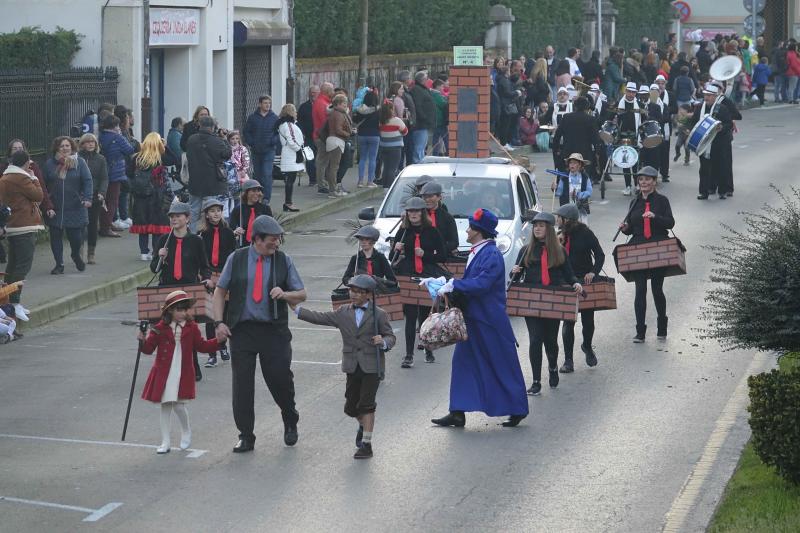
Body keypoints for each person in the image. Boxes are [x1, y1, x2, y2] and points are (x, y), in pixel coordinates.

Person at [213, 215, 307, 452]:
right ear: (256, 239)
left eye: (278, 240)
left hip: (273, 330)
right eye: (271, 240)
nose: (275, 244)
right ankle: (246, 435)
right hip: (242, 330)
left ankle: (289, 418)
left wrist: (285, 294)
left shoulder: (283, 261)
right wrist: (218, 322)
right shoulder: (237, 258)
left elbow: (302, 294)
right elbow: (219, 290)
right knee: (242, 385)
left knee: (279, 379)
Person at [429, 208, 529, 428]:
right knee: (463, 363)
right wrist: (443, 284)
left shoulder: (491, 254)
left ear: (479, 230)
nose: (467, 229)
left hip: (489, 320)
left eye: (470, 226)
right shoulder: (478, 250)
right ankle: (457, 411)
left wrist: (454, 284)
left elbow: (482, 284)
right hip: (474, 318)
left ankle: (518, 407)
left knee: (501, 364)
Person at [293, 274, 396, 459]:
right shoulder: (343, 312)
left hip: (372, 366)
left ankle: (366, 444)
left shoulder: (379, 314)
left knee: (367, 405)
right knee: (350, 408)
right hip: (351, 365)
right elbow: (320, 317)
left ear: (367, 294)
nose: (354, 294)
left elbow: (390, 337)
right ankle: (363, 425)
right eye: (352, 290)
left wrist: (384, 341)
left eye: (358, 291)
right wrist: (296, 309)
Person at [138, 290, 222, 453]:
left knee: (178, 406)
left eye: (185, 310)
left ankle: (186, 431)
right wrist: (142, 338)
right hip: (164, 372)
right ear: (170, 310)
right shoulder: (159, 328)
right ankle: (165, 442)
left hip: (182, 372)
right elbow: (148, 349)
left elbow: (202, 346)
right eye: (179, 310)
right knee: (165, 406)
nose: (183, 313)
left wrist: (218, 341)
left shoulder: (192, 327)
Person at [511, 212, 582, 395]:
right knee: (535, 339)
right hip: (532, 300)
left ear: (549, 229)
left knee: (550, 340)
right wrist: (514, 272)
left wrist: (575, 283)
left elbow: (569, 274)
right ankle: (536, 381)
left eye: (541, 226)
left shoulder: (559, 250)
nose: (537, 229)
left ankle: (552, 366)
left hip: (553, 299)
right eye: (535, 226)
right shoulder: (525, 250)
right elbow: (516, 278)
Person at [618, 166, 674, 342]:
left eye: (648, 179)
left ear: (654, 182)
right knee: (640, 290)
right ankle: (640, 331)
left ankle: (662, 327)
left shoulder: (662, 201)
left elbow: (670, 223)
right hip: (638, 248)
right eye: (641, 179)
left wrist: (655, 216)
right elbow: (632, 229)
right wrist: (625, 229)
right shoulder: (634, 202)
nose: (644, 182)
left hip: (657, 247)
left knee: (657, 289)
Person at [392, 197, 446, 367]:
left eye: (416, 211)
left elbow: (443, 256)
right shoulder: (403, 231)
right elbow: (391, 259)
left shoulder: (432, 231)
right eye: (410, 211)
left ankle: (428, 349)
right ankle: (408, 355)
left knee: (424, 315)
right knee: (410, 316)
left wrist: (425, 254)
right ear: (407, 214)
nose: (413, 214)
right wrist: (396, 250)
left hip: (427, 276)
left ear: (422, 213)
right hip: (409, 275)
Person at [555, 204, 604, 372]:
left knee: (588, 321)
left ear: (566, 219)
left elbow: (600, 254)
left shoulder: (586, 233)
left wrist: (593, 272)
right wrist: (557, 243)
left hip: (584, 280)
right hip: (566, 282)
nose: (557, 220)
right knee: (568, 321)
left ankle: (587, 346)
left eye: (559, 217)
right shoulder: (558, 236)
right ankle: (568, 360)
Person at [0, 150, 45, 321]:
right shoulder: (22, 177)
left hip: (11, 225)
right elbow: (38, 195)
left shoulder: (5, 177)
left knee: (12, 265)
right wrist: (34, 178)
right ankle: (15, 302)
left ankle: (7, 301)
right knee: (23, 266)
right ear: (26, 163)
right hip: (24, 226)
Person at [44, 136, 93, 275]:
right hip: (56, 207)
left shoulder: (80, 163)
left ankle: (75, 255)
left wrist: (87, 198)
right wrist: (47, 205)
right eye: (61, 146)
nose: (65, 148)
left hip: (75, 206)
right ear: (57, 148)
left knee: (76, 238)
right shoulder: (49, 164)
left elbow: (88, 181)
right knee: (55, 237)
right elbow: (43, 185)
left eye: (67, 146)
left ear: (72, 148)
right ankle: (59, 264)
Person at [198, 198, 236, 368]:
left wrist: (225, 276)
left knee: (223, 315)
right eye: (212, 211)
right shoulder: (202, 235)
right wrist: (204, 276)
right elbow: (201, 258)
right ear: (206, 214)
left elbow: (232, 256)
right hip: (208, 275)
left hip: (224, 275)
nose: (216, 214)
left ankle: (222, 346)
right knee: (210, 316)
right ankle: (212, 353)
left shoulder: (228, 233)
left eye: (218, 210)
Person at [130, 132, 177, 261]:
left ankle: (144, 253)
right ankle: (156, 252)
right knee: (157, 227)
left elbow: (129, 174)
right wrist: (166, 146)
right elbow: (174, 159)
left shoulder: (136, 158)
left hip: (140, 197)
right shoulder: (160, 158)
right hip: (157, 197)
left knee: (143, 227)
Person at [691, 84, 739, 200]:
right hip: (704, 143)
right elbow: (693, 122)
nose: (706, 98)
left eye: (709, 95)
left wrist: (721, 127)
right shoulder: (699, 108)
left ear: (714, 96)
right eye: (705, 95)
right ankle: (704, 192)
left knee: (720, 167)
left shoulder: (721, 108)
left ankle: (722, 191)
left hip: (718, 143)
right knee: (704, 169)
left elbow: (728, 124)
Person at [185, 116, 232, 231]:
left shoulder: (191, 139)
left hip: (194, 182)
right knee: (212, 212)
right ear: (213, 127)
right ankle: (209, 237)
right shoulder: (217, 141)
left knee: (194, 211)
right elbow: (227, 154)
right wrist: (224, 138)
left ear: (199, 125)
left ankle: (192, 237)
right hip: (212, 183)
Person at [98, 114, 135, 237]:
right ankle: (106, 227)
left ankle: (107, 223)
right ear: (115, 126)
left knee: (105, 200)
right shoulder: (118, 137)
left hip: (103, 171)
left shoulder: (101, 136)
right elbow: (129, 150)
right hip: (115, 172)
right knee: (113, 201)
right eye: (118, 125)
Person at [77, 134, 108, 265]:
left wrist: (102, 192)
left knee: (92, 225)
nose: (90, 144)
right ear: (82, 144)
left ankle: (91, 253)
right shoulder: (77, 158)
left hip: (95, 196)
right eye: (87, 142)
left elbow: (104, 178)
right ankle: (78, 253)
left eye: (93, 142)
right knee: (79, 226)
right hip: (80, 196)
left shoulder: (100, 159)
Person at [243, 96, 279, 202]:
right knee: (257, 175)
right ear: (260, 104)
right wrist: (251, 142)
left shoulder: (274, 118)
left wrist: (273, 141)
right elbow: (246, 132)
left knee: (267, 174)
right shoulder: (252, 117)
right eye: (265, 103)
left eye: (269, 103)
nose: (267, 105)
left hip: (269, 150)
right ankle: (256, 196)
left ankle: (266, 198)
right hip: (256, 150)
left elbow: (278, 133)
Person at [551, 96, 600, 173]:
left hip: (568, 153)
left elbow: (557, 136)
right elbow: (596, 139)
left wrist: (556, 149)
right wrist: (597, 152)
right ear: (587, 107)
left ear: (575, 106)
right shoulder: (591, 119)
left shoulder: (566, 117)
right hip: (585, 155)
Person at [322, 94, 353, 198]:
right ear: (338, 103)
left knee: (332, 166)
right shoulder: (339, 114)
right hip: (336, 141)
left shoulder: (334, 113)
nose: (346, 105)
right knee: (334, 167)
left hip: (333, 140)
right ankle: (333, 190)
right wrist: (348, 134)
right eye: (344, 103)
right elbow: (338, 129)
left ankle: (332, 189)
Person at [615, 82, 644, 195]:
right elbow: (611, 117)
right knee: (625, 162)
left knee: (635, 161)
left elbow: (644, 120)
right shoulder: (619, 104)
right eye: (629, 91)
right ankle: (627, 186)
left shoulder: (640, 105)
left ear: (635, 93)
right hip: (622, 136)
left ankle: (637, 185)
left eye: (633, 92)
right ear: (625, 91)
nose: (631, 94)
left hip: (635, 136)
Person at [276, 103, 305, 212]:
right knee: (290, 179)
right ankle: (288, 203)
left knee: (290, 179)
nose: (296, 113)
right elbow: (291, 139)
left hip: (289, 152)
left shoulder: (285, 124)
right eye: (295, 111)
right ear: (290, 112)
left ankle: (288, 202)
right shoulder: (287, 124)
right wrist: (298, 150)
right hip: (291, 153)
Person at [420, 181, 459, 257]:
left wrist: (440, 249)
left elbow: (454, 242)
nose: (427, 199)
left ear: (439, 197)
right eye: (424, 196)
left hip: (443, 258)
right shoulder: (419, 215)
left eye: (430, 196)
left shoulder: (448, 218)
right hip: (421, 256)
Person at [230, 180, 273, 247]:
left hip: (261, 245)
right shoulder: (238, 209)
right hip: (243, 246)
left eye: (258, 191)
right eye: (253, 191)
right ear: (246, 193)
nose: (257, 193)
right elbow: (231, 229)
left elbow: (271, 227)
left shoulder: (265, 209)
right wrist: (235, 232)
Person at [553, 153, 592, 223]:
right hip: (566, 211)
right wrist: (554, 188)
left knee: (582, 230)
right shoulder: (564, 177)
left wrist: (579, 195)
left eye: (574, 163)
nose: (572, 165)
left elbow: (589, 191)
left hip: (581, 210)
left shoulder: (585, 177)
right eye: (570, 163)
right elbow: (559, 193)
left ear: (580, 165)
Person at [378, 101, 408, 189]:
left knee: (386, 167)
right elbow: (405, 131)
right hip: (395, 148)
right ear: (391, 110)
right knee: (392, 168)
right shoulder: (397, 121)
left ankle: (385, 187)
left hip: (384, 146)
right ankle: (390, 188)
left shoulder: (381, 121)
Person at [353, 91, 380, 188]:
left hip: (362, 135)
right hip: (374, 135)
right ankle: (370, 182)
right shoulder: (378, 111)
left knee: (362, 158)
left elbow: (354, 120)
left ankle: (360, 181)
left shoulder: (359, 110)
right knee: (372, 159)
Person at [408, 71, 436, 163]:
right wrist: (425, 118)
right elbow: (418, 106)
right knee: (419, 148)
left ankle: (421, 164)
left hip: (424, 125)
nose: (428, 80)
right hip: (420, 125)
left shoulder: (422, 89)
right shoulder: (417, 90)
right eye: (427, 78)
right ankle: (418, 165)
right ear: (423, 80)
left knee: (421, 148)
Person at [312, 82, 335, 195]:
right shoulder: (322, 103)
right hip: (322, 136)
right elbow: (325, 121)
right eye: (332, 90)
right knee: (322, 161)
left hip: (321, 135)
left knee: (323, 161)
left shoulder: (322, 102)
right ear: (327, 91)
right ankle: (321, 184)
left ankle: (323, 183)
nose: (333, 92)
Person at [297, 85, 320, 187]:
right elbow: (299, 122)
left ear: (319, 93)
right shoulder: (304, 107)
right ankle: (312, 179)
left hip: (321, 138)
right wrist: (302, 133)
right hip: (308, 137)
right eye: (311, 92)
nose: (312, 94)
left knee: (321, 159)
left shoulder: (323, 105)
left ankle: (321, 178)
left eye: (314, 92)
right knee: (310, 159)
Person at [430, 79, 449, 156]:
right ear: (437, 86)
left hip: (435, 120)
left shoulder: (431, 93)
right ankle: (449, 153)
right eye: (441, 86)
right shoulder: (436, 95)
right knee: (446, 138)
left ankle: (435, 155)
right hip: (440, 120)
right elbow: (443, 104)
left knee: (436, 139)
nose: (443, 88)